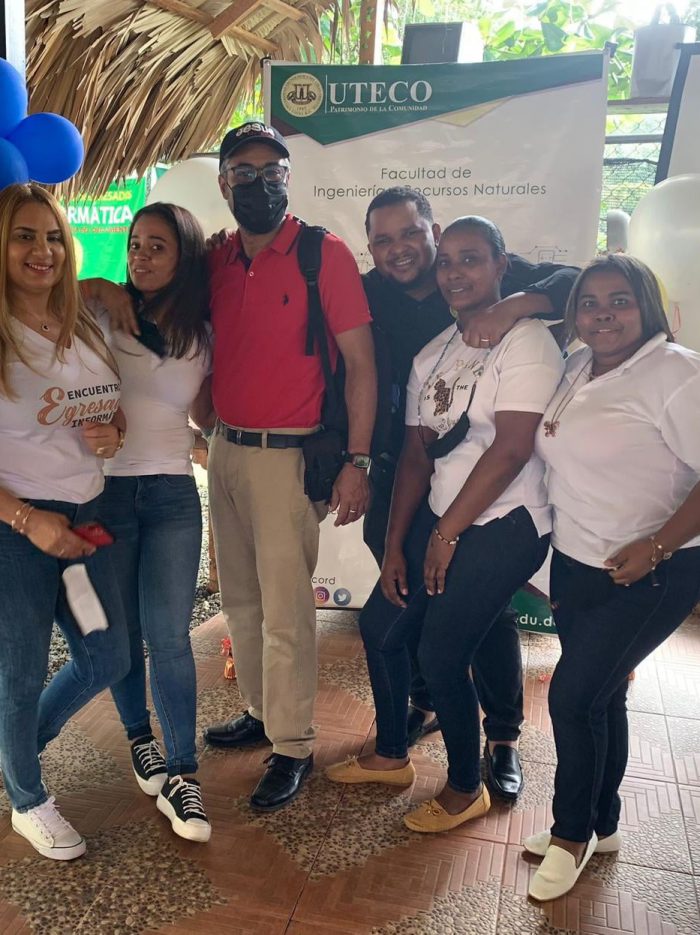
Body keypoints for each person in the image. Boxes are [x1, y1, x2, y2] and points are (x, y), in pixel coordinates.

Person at [326, 216, 564, 833]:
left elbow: (511, 449)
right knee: (381, 624)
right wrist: (395, 544)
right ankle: (391, 755)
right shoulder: (434, 351)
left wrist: (445, 533)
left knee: (441, 650)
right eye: (449, 262)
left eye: (472, 259)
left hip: (506, 521)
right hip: (439, 512)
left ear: (501, 265)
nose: (456, 272)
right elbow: (415, 455)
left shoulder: (527, 340)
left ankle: (465, 787)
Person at [202, 121, 377, 812]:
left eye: (273, 173)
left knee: (285, 612)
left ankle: (294, 743)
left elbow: (361, 365)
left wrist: (357, 459)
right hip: (225, 450)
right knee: (240, 600)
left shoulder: (321, 255)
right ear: (225, 184)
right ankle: (260, 711)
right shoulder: (217, 258)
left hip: (289, 458)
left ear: (288, 180)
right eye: (245, 173)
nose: (261, 184)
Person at [524, 254, 700, 901]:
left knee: (572, 699)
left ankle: (570, 835)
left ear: (646, 305)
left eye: (619, 300)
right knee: (603, 698)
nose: (603, 314)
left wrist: (656, 545)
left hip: (651, 573)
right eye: (589, 302)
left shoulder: (676, 373)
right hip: (577, 564)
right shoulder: (577, 364)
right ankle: (603, 823)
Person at [0, 183, 129, 860]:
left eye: (53, 236)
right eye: (24, 236)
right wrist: (29, 521)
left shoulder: (83, 324)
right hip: (16, 531)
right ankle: (27, 797)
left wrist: (113, 432)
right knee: (19, 672)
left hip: (85, 525)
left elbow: (109, 406)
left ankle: (16, 744)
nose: (42, 250)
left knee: (106, 654)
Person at [81, 203, 213, 842]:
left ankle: (184, 773)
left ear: (184, 255)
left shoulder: (201, 330)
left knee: (169, 636)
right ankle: (141, 740)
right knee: (123, 633)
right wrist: (100, 286)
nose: (141, 256)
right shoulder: (103, 312)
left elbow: (207, 413)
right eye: (135, 244)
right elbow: (37, 302)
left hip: (172, 496)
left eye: (158, 246)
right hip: (106, 492)